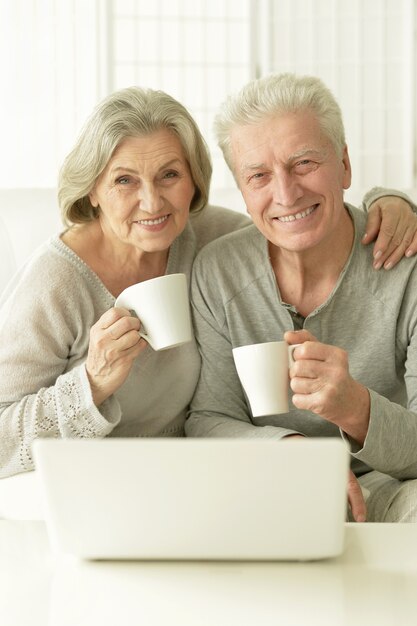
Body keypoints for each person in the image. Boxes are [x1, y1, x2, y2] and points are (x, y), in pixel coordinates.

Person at [0, 86, 414, 480]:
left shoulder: (207, 237)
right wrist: (91, 384)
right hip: (92, 478)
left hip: (195, 475)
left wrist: (392, 203)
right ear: (93, 189)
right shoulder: (57, 282)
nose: (152, 202)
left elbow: (288, 220)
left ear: (195, 180)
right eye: (124, 180)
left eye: (169, 175)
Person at [186, 72, 417, 523]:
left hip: (392, 487)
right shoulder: (218, 270)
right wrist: (293, 454)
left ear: (345, 165)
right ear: (242, 189)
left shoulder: (407, 265)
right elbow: (209, 417)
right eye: (259, 176)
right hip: (270, 480)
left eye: (305, 163)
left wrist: (355, 406)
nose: (286, 193)